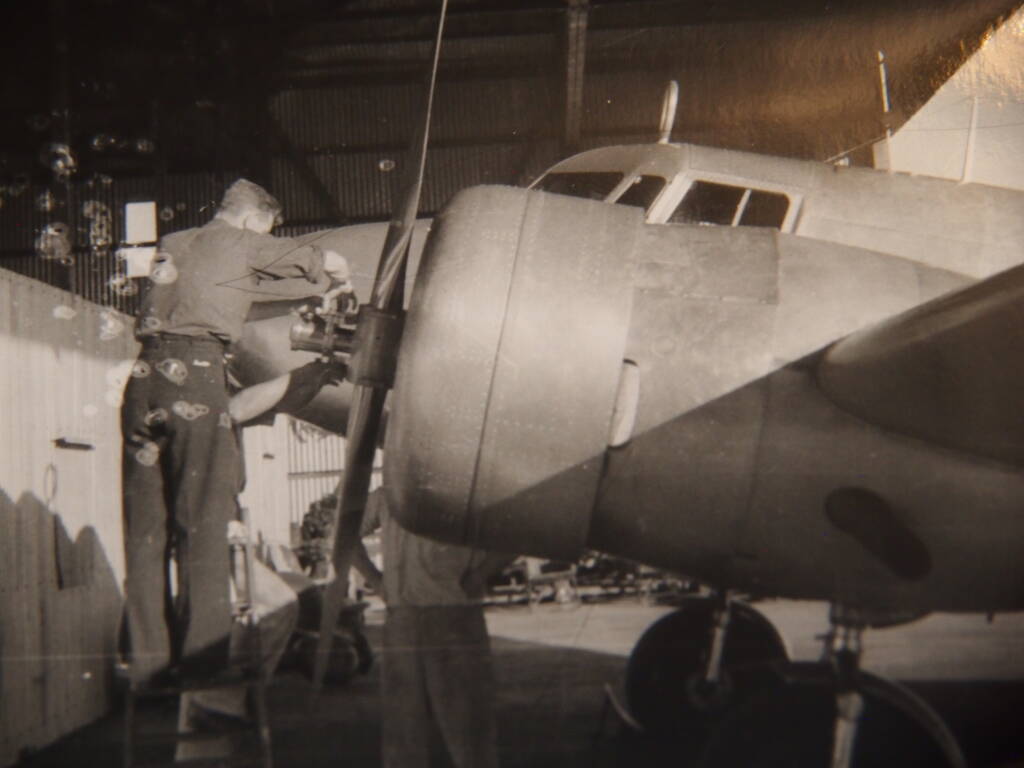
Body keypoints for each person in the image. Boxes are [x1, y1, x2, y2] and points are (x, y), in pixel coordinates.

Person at [120, 178, 352, 687]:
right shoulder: (246, 240)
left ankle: (147, 665)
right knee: (203, 523)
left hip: (142, 384)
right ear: (253, 219)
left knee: (145, 534)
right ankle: (204, 662)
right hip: (195, 379)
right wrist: (342, 281)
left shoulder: (176, 242)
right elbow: (327, 261)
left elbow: (222, 288)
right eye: (265, 229)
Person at [357, 489, 512, 768]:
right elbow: (342, 538)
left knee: (468, 725)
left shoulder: (469, 488)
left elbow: (517, 531)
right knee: (403, 727)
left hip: (455, 616)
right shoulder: (386, 496)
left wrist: (480, 573)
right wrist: (376, 581)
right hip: (402, 620)